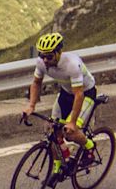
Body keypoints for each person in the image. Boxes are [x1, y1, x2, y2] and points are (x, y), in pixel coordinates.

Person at [25, 33, 101, 165]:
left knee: (69, 132)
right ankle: (59, 165)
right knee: (52, 131)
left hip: (85, 94)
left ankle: (89, 146)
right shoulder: (41, 62)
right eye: (42, 56)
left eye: (49, 56)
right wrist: (31, 106)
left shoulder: (72, 64)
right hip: (66, 93)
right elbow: (36, 83)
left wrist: (72, 122)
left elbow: (79, 95)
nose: (45, 60)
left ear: (59, 52)